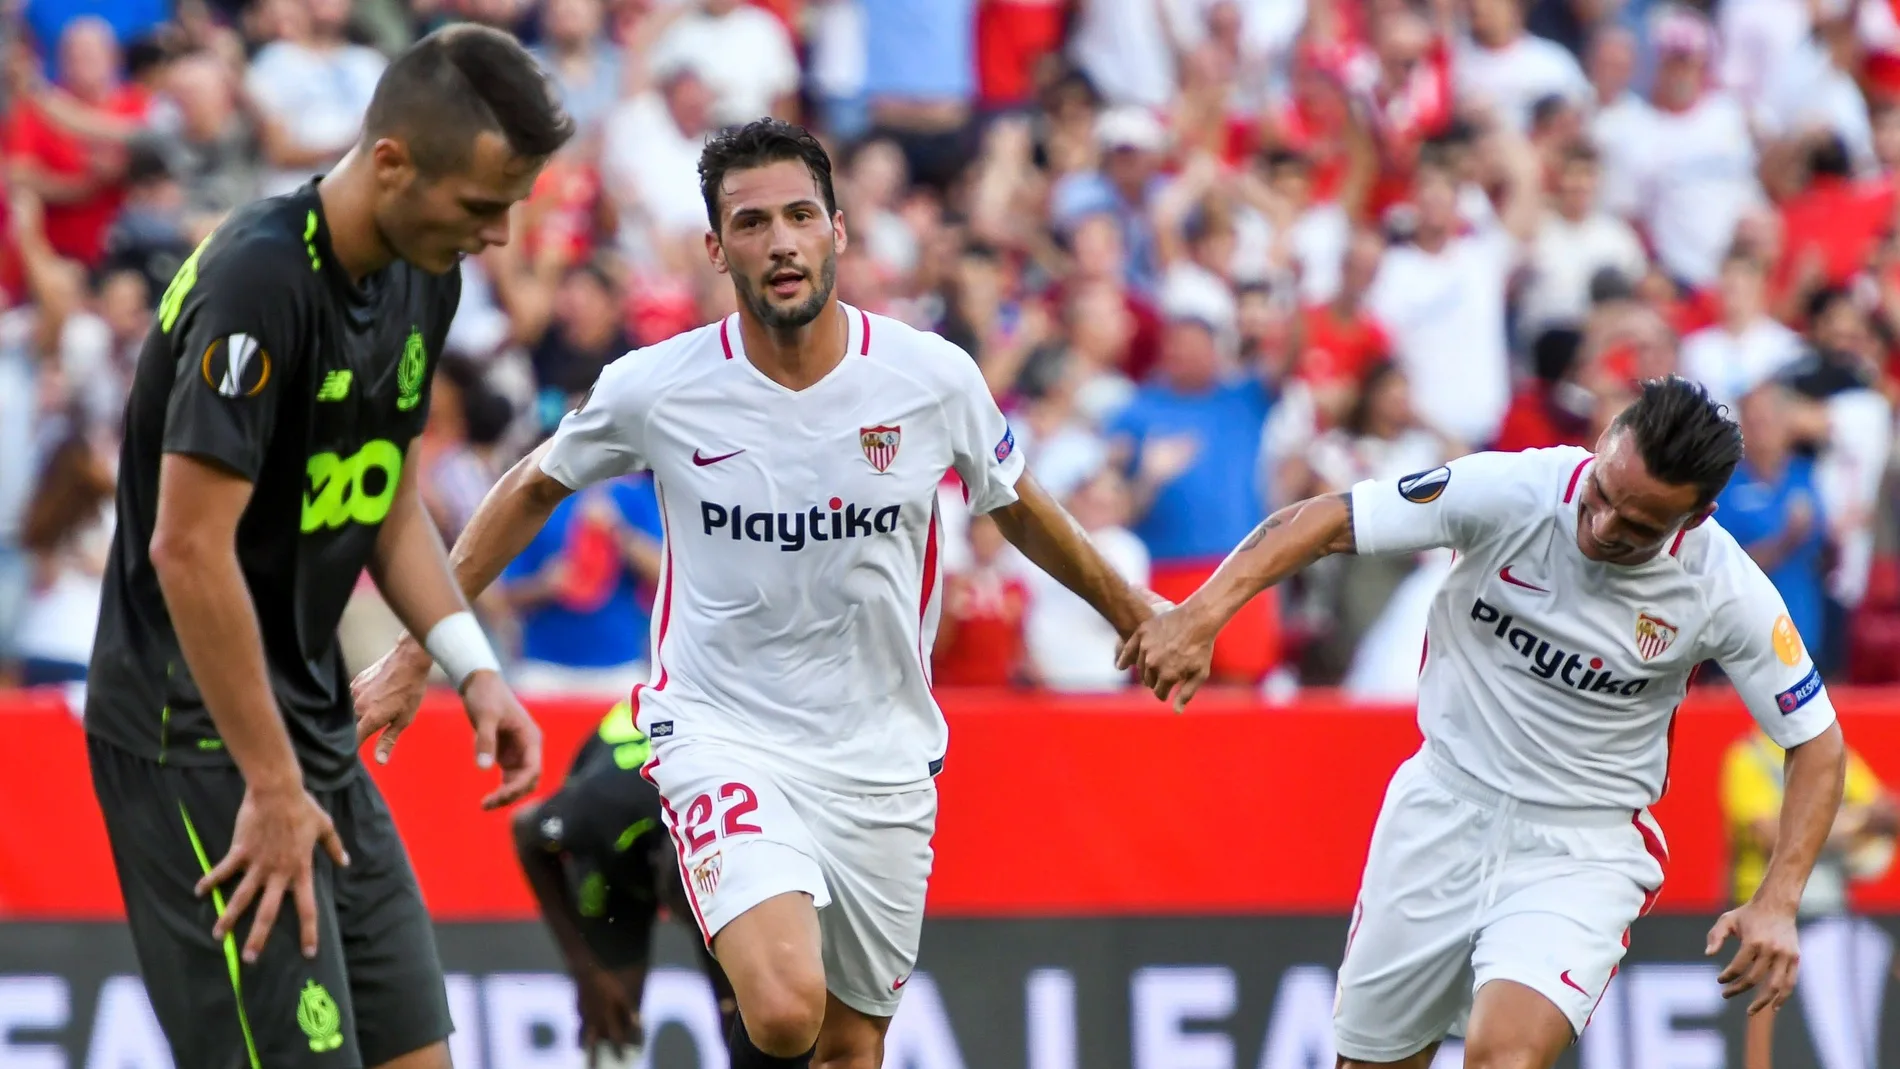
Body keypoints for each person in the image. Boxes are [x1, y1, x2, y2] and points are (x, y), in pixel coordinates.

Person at [352, 118, 1157, 1069]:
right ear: (716, 248)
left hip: (883, 756)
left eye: (800, 216)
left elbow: (1017, 505)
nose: (781, 242)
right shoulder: (658, 386)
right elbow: (532, 485)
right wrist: (417, 652)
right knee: (781, 1008)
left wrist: (1135, 615)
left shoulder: (929, 378)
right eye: (752, 222)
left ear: (838, 230)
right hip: (722, 732)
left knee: (850, 1047)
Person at [83, 26, 572, 1069]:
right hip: (197, 738)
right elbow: (188, 549)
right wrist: (269, 785)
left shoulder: (424, 272)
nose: (496, 236)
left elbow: (381, 497)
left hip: (311, 731)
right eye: (480, 206)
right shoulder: (257, 281)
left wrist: (471, 666)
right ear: (391, 161)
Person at [1119, 377, 1850, 1069]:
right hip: (1441, 808)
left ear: (1697, 517)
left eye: (1638, 525)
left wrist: (1779, 899)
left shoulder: (1724, 587)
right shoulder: (1511, 490)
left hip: (1581, 846)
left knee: (1504, 1055)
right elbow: (1328, 519)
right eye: (1601, 494)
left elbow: (1817, 741)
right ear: (1603, 442)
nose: (1602, 526)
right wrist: (1202, 615)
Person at [514, 699, 737, 1068]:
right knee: (612, 1014)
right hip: (614, 853)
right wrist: (585, 967)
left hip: (714, 854)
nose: (687, 920)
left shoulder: (732, 820)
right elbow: (525, 830)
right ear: (656, 863)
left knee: (748, 1016)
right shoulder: (601, 808)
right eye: (685, 909)